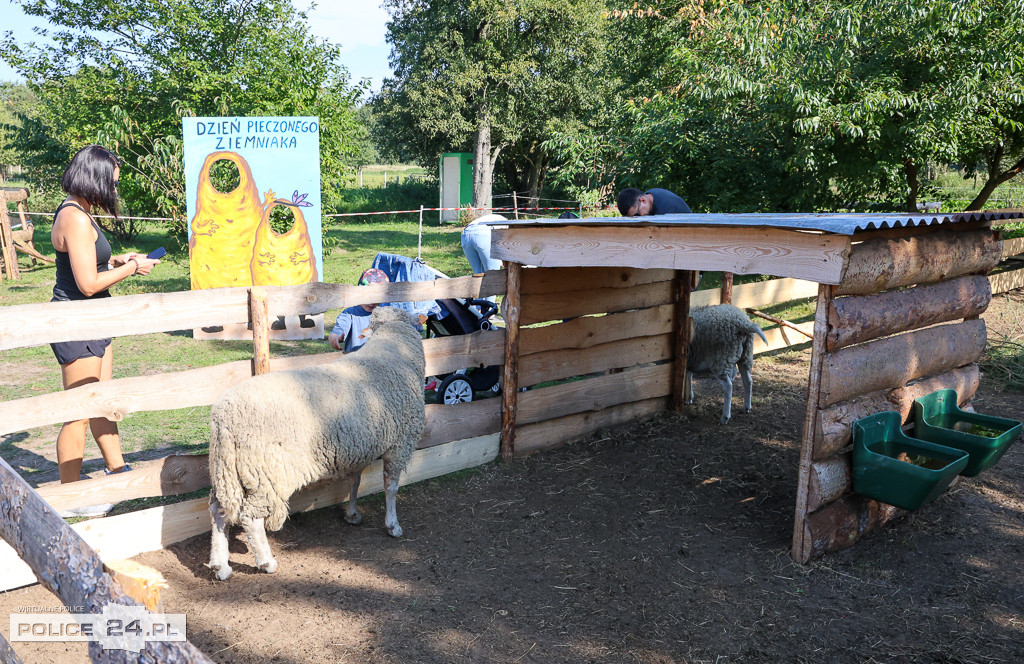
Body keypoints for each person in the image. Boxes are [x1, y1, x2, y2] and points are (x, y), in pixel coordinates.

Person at [50, 145, 161, 490]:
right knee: (80, 413)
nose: (114, 191)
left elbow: (88, 264)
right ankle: (71, 496)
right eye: (111, 184)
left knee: (104, 403)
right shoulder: (74, 216)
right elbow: (86, 284)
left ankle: (118, 471)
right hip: (77, 321)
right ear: (95, 179)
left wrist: (115, 261)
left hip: (95, 319)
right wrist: (131, 268)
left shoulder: (80, 210)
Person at [328, 268, 390, 353]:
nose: (371, 301)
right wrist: (335, 337)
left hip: (380, 360)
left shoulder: (386, 314)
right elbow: (340, 328)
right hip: (354, 361)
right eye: (367, 296)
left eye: (376, 297)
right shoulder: (350, 314)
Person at [617, 187, 692, 217]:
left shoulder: (668, 210)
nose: (638, 218)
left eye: (637, 215)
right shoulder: (649, 197)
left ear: (643, 200)